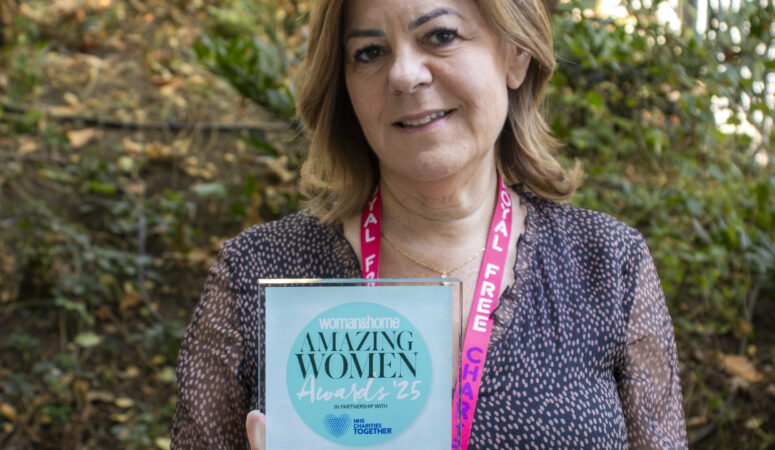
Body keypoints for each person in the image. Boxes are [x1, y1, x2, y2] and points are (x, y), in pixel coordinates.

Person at [171, 0, 688, 448]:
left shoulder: (608, 263)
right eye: (369, 52)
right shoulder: (256, 273)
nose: (404, 74)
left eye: (440, 36)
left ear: (515, 53)